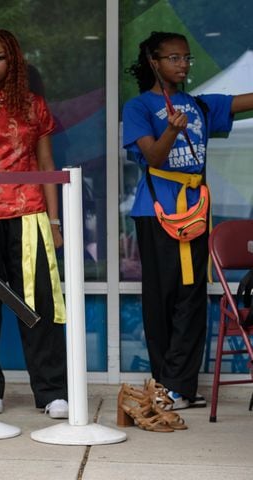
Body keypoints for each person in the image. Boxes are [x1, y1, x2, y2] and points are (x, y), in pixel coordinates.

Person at [122, 31, 253, 410]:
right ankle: (165, 383)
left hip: (194, 214)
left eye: (186, 58)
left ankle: (181, 385)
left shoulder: (199, 105)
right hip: (157, 212)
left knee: (191, 297)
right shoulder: (138, 107)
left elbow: (244, 102)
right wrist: (171, 130)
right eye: (174, 58)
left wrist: (183, 123)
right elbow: (156, 158)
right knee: (162, 298)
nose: (183, 65)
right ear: (153, 62)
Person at [0, 28, 68, 418]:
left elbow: (46, 164)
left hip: (29, 213)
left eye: (0, 57)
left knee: (39, 301)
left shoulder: (33, 105)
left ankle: (52, 391)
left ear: (14, 61)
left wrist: (54, 221)